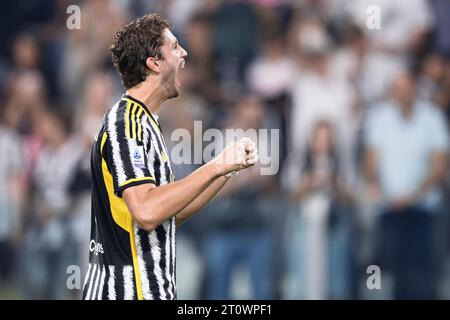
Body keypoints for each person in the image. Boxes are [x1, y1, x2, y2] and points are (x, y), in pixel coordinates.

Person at [82, 13, 259, 300]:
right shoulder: (125, 123)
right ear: (154, 63)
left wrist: (226, 171)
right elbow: (148, 212)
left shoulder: (146, 122)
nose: (184, 52)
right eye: (175, 47)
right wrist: (216, 164)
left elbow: (169, 216)